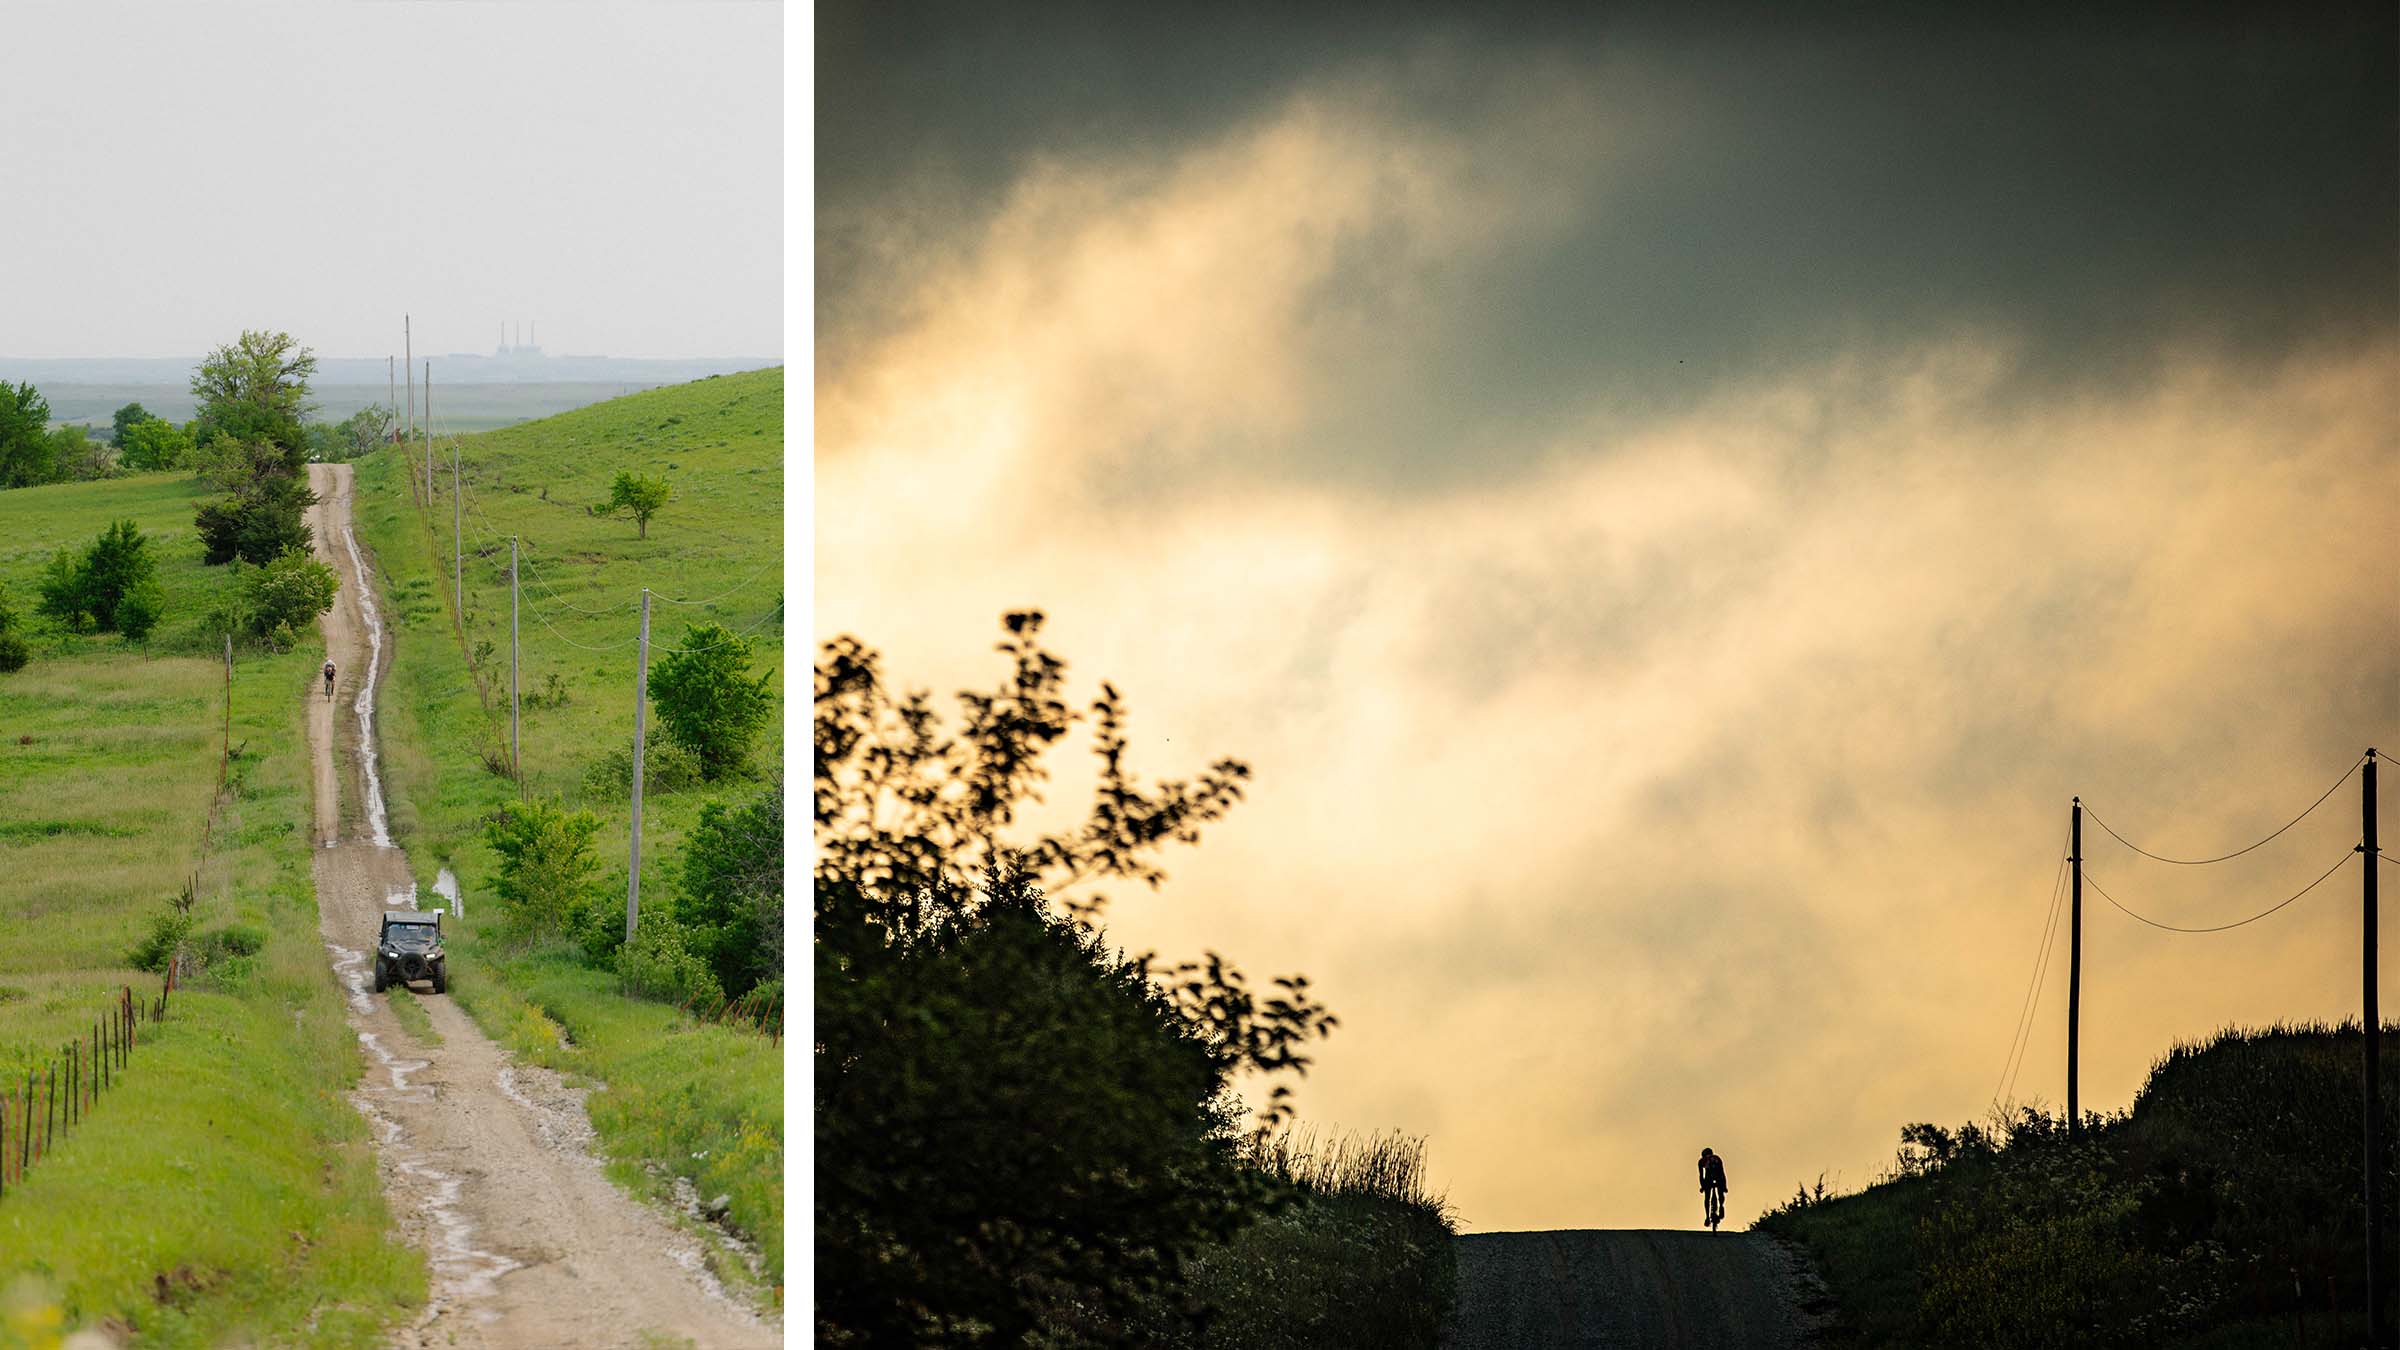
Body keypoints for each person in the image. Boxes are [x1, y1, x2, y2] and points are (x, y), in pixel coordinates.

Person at [1698, 1147, 1728, 1231]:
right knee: (1720, 1193)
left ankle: (1707, 1217)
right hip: (1719, 1178)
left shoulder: (1702, 1161)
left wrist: (1702, 1186)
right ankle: (1721, 1206)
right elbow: (1722, 1172)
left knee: (1707, 1198)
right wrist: (1725, 1186)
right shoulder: (1717, 1158)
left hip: (1708, 1179)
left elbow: (1701, 1175)